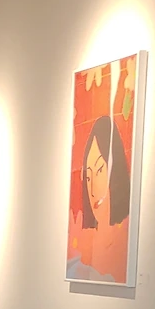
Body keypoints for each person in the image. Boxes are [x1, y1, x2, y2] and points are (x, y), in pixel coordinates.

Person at [67, 114, 130, 283]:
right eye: (88, 176)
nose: (93, 189)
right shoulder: (79, 261)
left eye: (100, 170)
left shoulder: (125, 240)